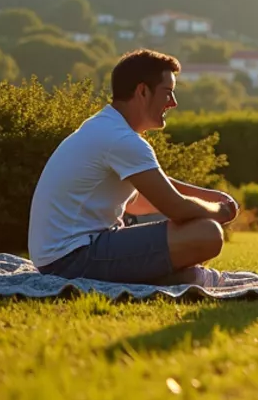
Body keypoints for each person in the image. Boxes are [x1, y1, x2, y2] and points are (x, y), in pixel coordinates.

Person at [29, 49, 237, 284]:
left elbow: (137, 202)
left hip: (59, 258)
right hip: (72, 258)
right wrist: (222, 211)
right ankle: (174, 278)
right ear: (143, 91)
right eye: (167, 93)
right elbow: (175, 207)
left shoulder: (105, 126)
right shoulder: (121, 139)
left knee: (196, 230)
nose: (173, 103)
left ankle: (179, 278)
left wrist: (209, 197)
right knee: (207, 233)